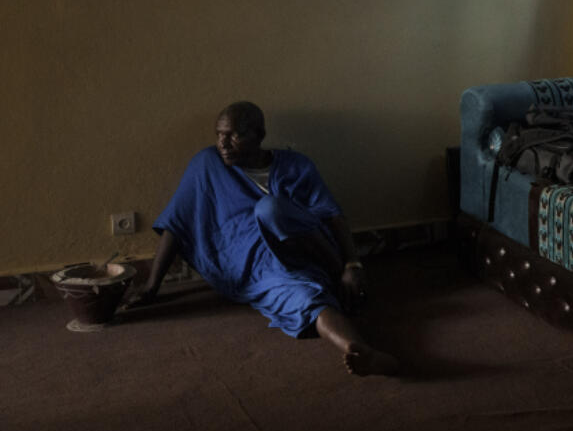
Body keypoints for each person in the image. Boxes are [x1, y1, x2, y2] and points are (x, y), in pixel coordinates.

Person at [125, 101, 399, 377]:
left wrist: (352, 264)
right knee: (309, 299)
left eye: (234, 135)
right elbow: (176, 222)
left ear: (259, 135)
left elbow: (332, 216)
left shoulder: (296, 165)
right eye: (219, 134)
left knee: (270, 209)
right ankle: (360, 349)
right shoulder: (207, 165)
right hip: (260, 268)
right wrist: (151, 286)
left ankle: (339, 277)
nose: (224, 143)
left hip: (311, 253)